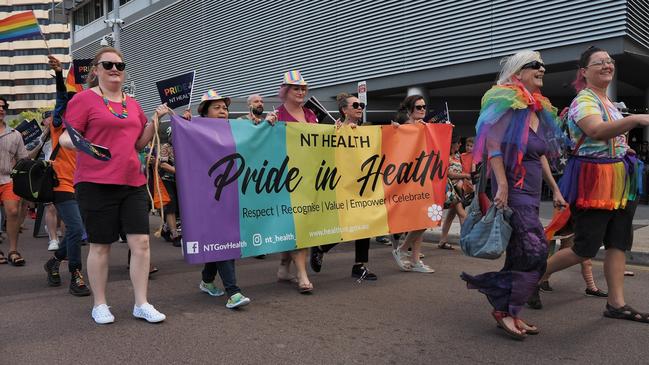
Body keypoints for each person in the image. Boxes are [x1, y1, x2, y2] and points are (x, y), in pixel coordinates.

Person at [460, 50, 568, 340]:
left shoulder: (537, 109)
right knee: (536, 251)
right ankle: (499, 299)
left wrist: (555, 189)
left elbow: (540, 154)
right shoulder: (506, 101)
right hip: (513, 189)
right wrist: (502, 184)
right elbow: (492, 144)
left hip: (532, 193)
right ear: (518, 72)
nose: (542, 69)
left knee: (521, 253)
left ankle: (511, 312)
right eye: (535, 65)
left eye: (544, 65)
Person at [538, 46, 649, 323]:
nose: (607, 65)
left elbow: (607, 138)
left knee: (618, 242)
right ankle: (531, 278)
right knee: (584, 247)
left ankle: (616, 304)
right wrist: (634, 120)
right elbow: (596, 130)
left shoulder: (609, 102)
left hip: (620, 180)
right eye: (599, 62)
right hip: (595, 181)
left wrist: (624, 148)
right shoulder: (584, 100)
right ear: (584, 72)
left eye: (610, 61)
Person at [61, 47, 166, 324]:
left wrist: (155, 121)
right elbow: (65, 138)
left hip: (132, 181)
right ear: (95, 70)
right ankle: (100, 304)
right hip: (95, 182)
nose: (115, 69)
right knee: (100, 245)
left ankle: (141, 303)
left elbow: (139, 144)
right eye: (108, 64)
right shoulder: (83, 100)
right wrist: (81, 144)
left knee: (141, 243)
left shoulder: (132, 103)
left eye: (120, 65)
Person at [310, 93, 377, 281]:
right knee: (346, 225)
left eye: (361, 104)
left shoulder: (368, 130)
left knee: (366, 225)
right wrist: (341, 132)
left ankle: (359, 266)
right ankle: (321, 247)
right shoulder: (335, 129)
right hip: (342, 186)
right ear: (344, 110)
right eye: (355, 105)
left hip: (363, 185)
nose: (359, 108)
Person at [195, 89, 251, 309]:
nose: (222, 111)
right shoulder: (196, 129)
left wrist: (268, 125)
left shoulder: (233, 130)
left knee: (221, 240)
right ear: (205, 112)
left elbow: (255, 138)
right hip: (206, 195)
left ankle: (207, 280)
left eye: (225, 108)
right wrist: (187, 122)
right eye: (216, 107)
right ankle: (233, 292)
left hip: (231, 192)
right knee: (223, 240)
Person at [42, 55, 91, 296]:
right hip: (62, 183)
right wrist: (61, 76)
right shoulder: (59, 123)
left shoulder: (87, 127)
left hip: (84, 183)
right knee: (76, 228)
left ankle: (54, 262)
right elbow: (61, 99)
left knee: (76, 230)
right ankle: (75, 273)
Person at [273, 71, 318, 293]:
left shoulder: (311, 114)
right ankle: (302, 274)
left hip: (310, 178)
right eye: (296, 88)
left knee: (303, 225)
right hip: (286, 179)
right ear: (286, 91)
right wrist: (265, 126)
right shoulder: (277, 115)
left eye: (303, 89)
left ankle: (284, 266)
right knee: (296, 226)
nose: (300, 92)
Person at [390, 95, 435, 273]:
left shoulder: (425, 128)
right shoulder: (405, 128)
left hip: (425, 178)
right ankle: (402, 250)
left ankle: (414, 259)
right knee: (422, 219)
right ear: (410, 110)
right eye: (418, 107)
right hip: (409, 181)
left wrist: (443, 132)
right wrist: (396, 130)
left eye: (424, 106)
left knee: (423, 219)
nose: (422, 109)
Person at [0, 96, 28, 266]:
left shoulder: (15, 134)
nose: (1, 109)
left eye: (3, 106)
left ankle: (13, 250)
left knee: (12, 212)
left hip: (8, 178)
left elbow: (22, 158)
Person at [438, 135, 468, 250]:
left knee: (451, 215)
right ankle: (465, 242)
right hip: (449, 189)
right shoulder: (445, 155)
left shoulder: (457, 155)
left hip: (458, 189)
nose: (460, 145)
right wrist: (465, 176)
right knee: (463, 214)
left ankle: (442, 241)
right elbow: (448, 174)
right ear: (453, 143)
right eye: (459, 142)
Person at [158, 127, 182, 247]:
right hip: (167, 180)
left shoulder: (185, 146)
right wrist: (177, 170)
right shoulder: (166, 147)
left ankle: (166, 228)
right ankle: (174, 234)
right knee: (171, 205)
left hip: (181, 181)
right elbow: (163, 164)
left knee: (181, 206)